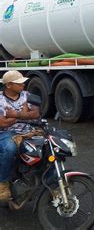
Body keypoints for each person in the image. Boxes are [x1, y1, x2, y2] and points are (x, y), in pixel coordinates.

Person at [0, 70, 40, 201]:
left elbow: (36, 114)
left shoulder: (27, 95)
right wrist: (24, 114)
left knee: (48, 146)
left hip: (28, 131)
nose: (23, 85)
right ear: (9, 85)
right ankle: (3, 184)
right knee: (10, 149)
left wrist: (14, 115)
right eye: (19, 83)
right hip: (6, 133)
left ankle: (52, 183)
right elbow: (3, 124)